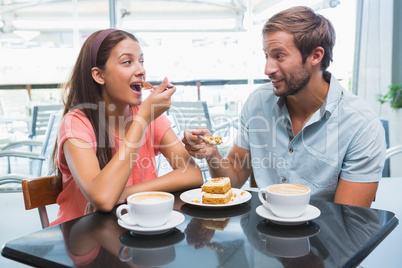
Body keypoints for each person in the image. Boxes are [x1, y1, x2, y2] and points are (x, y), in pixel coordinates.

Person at [183, 6, 385, 208]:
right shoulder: (258, 102)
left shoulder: (361, 125)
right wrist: (213, 155)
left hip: (321, 237)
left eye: (279, 56)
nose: (267, 69)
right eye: (266, 56)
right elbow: (234, 178)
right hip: (261, 234)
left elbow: (347, 221)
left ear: (315, 56)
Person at [51, 29, 203, 226]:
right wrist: (142, 120)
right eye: (127, 62)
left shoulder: (147, 115)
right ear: (99, 75)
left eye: (141, 61)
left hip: (133, 230)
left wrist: (125, 193)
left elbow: (192, 173)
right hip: (83, 240)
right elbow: (104, 199)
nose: (141, 70)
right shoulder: (77, 124)